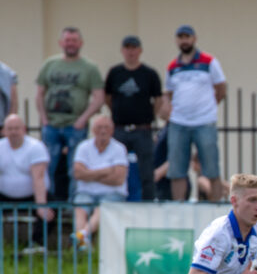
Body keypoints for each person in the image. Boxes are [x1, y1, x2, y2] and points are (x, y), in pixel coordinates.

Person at [35, 27, 105, 197]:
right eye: (67, 40)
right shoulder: (49, 65)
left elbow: (99, 97)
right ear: (61, 43)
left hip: (75, 126)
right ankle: (49, 205)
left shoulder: (89, 68)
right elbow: (39, 93)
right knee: (47, 167)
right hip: (51, 125)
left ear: (80, 43)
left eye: (74, 40)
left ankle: (73, 205)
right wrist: (44, 118)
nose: (70, 44)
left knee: (75, 169)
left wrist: (83, 119)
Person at [162, 25, 227, 201]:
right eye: (181, 37)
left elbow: (221, 89)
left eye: (187, 37)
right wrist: (170, 110)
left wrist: (207, 108)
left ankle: (215, 206)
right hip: (179, 122)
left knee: (211, 168)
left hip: (204, 122)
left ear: (194, 39)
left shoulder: (209, 61)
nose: (184, 41)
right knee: (177, 169)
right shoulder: (172, 66)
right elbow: (168, 93)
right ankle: (179, 205)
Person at [105, 35, 163, 201]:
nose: (131, 52)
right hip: (120, 129)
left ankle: (148, 203)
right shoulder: (115, 73)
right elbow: (108, 97)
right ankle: (117, 200)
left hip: (142, 129)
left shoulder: (149, 74)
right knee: (116, 167)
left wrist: (148, 116)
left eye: (134, 48)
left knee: (146, 170)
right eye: (127, 48)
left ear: (140, 51)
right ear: (122, 51)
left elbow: (158, 100)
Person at [71, 115, 128, 250]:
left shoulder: (119, 148)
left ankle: (82, 235)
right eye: (99, 127)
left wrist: (89, 174)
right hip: (86, 192)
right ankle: (83, 244)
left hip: (112, 193)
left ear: (112, 130)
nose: (103, 131)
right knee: (80, 209)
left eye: (106, 127)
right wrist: (106, 171)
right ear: (93, 130)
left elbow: (118, 179)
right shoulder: (83, 147)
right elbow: (78, 174)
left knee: (101, 208)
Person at [0, 114, 53, 252]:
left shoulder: (36, 147)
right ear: (4, 131)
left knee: (51, 208)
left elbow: (38, 178)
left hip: (32, 195)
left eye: (16, 128)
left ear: (24, 129)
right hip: (4, 195)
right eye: (10, 129)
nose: (13, 132)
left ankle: (37, 244)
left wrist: (41, 206)